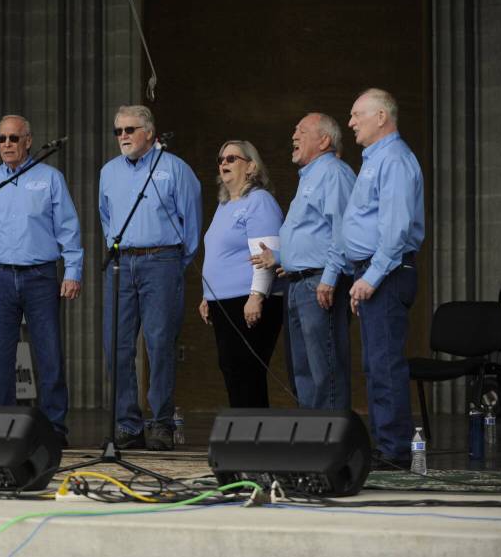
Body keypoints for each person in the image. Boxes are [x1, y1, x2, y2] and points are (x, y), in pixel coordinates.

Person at [0, 115, 82, 445]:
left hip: (41, 276)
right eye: (2, 139)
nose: (7, 144)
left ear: (28, 140)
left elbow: (68, 227)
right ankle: (1, 425)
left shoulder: (50, 178)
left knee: (48, 353)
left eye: (14, 138)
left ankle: (55, 428)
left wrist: (72, 270)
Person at [99, 105, 202, 451]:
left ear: (149, 132)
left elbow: (191, 223)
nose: (123, 137)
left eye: (130, 130)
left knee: (159, 344)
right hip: (121, 264)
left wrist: (173, 261)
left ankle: (160, 422)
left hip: (161, 261)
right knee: (117, 345)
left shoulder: (174, 168)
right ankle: (128, 424)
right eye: (118, 131)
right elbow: (106, 217)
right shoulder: (108, 172)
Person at [338, 88, 424, 467]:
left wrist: (370, 277)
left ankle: (395, 451)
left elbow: (396, 229)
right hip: (373, 272)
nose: (351, 122)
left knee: (386, 363)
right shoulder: (375, 160)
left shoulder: (395, 160)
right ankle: (385, 445)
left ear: (381, 117)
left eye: (357, 114)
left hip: (386, 272)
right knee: (375, 364)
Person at [250, 113, 356, 410]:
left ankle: (332, 445)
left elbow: (342, 231)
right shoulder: (310, 176)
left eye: (302, 130)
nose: (293, 135)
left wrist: (330, 278)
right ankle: (313, 441)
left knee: (326, 370)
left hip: (319, 282)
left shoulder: (333, 172)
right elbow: (315, 234)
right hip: (298, 283)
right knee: (303, 371)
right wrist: (282, 257)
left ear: (324, 140)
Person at [200, 140, 284, 409]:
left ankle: (256, 440)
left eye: (231, 159)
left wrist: (257, 296)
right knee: (231, 368)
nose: (223, 163)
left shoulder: (259, 201)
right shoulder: (225, 205)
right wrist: (206, 295)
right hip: (223, 302)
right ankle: (244, 436)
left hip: (248, 300)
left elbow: (265, 254)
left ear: (251, 166)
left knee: (247, 371)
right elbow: (216, 254)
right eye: (221, 159)